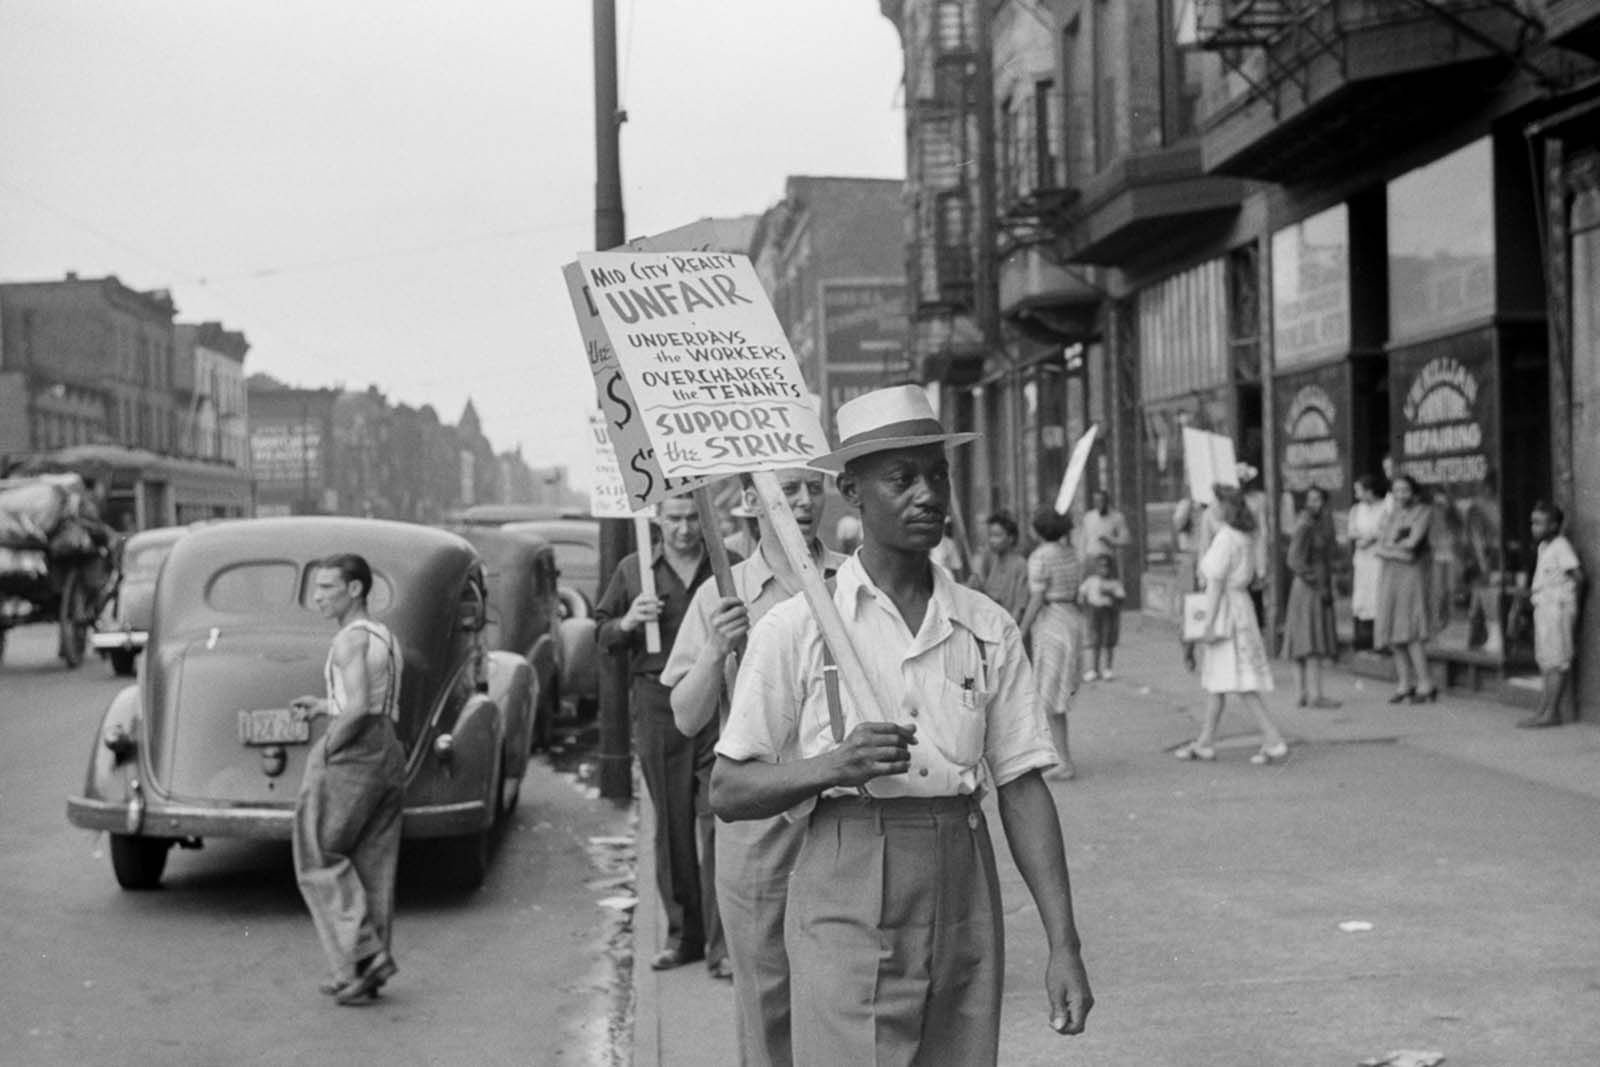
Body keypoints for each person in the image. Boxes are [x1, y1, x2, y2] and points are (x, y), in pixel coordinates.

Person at [711, 385, 1092, 1065]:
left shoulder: (984, 626)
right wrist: (833, 765)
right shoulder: (799, 627)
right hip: (848, 869)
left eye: (938, 474)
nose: (928, 494)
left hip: (962, 873)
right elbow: (729, 788)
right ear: (852, 493)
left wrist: (1065, 943)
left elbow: (1024, 784)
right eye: (902, 478)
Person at [662, 468, 846, 1065]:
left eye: (812, 488)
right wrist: (715, 650)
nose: (801, 500)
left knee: (847, 993)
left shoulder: (855, 579)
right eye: (785, 488)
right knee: (767, 999)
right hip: (759, 824)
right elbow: (687, 718)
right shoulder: (723, 592)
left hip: (849, 813)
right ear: (749, 501)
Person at [596, 495, 726, 974]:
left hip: (716, 701)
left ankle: (722, 942)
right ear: (658, 519)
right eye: (674, 519)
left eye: (693, 518)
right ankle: (682, 936)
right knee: (671, 824)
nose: (686, 529)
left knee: (718, 822)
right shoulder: (635, 570)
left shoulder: (726, 566)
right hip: (657, 702)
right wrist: (629, 621)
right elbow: (603, 633)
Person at [289, 553, 406, 1005]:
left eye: (327, 588)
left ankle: (365, 954)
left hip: (355, 748)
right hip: (387, 746)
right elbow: (372, 698)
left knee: (316, 851)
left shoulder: (348, 640)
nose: (317, 597)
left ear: (355, 589)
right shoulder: (383, 637)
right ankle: (358, 972)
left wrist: (330, 746)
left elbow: (357, 707)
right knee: (372, 861)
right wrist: (323, 706)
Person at [1174, 488, 1289, 765]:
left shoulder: (1226, 538)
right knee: (1221, 682)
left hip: (1226, 612)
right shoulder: (1245, 536)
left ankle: (1272, 738)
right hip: (1241, 607)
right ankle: (1205, 741)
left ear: (1224, 508)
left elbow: (1214, 585)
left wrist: (1208, 624)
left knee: (1239, 680)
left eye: (1214, 504)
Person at [1020, 508, 1085, 778]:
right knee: (1056, 693)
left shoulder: (1039, 557)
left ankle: (1063, 760)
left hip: (1051, 622)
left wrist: (1020, 629)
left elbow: (1036, 598)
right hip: (1071, 618)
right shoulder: (1070, 553)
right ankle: (1057, 756)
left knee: (1049, 694)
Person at [1373, 474, 1438, 704]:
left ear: (1414, 491)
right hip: (1390, 575)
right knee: (1393, 633)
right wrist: (1395, 549)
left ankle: (1425, 683)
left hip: (1411, 577)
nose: (1401, 495)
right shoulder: (1392, 514)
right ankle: (1404, 683)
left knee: (1410, 631)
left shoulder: (1423, 511)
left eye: (1405, 490)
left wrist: (1390, 549)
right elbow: (1379, 544)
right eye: (1396, 491)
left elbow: (1412, 546)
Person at [1517, 501, 1582, 729]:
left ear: (1553, 525)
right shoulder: (1544, 547)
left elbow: (1578, 576)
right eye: (1532, 523)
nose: (1534, 528)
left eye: (1539, 523)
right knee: (1545, 662)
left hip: (1557, 607)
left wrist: (1567, 603)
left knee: (1556, 661)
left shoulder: (1561, 546)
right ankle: (1543, 709)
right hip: (1543, 607)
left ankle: (1552, 712)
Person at [1281, 486, 1341, 708]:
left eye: (1319, 500)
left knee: (1303, 640)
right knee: (1311, 641)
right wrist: (1315, 580)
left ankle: (1303, 694)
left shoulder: (1315, 524)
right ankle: (1313, 695)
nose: (1315, 504)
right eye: (1311, 499)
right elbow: (1294, 559)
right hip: (1309, 586)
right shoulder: (1306, 525)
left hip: (1308, 585)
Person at [1348, 474, 1388, 650]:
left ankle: (1380, 642)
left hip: (1378, 558)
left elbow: (1385, 531)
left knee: (1378, 597)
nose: (1357, 493)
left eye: (1359, 489)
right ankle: (1363, 641)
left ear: (1369, 490)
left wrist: (1370, 539)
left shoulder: (1385, 508)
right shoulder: (1357, 509)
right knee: (1362, 598)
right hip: (1362, 559)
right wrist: (1364, 538)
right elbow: (1352, 532)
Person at [967, 509, 1030, 622]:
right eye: (990, 535)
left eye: (997, 536)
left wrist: (1011, 633)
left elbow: (1020, 606)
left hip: (1008, 626)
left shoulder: (1020, 564)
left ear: (1011, 538)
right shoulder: (992, 560)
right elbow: (990, 598)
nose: (992, 540)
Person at [1079, 554, 1125, 681]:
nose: (1103, 570)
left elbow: (1121, 598)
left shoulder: (1114, 583)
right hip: (1094, 612)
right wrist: (1084, 607)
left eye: (1106, 567)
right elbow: (1082, 593)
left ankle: (1108, 669)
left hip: (1108, 613)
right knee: (1095, 641)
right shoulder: (1091, 581)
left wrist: (1113, 597)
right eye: (1100, 567)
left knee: (1108, 641)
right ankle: (1094, 669)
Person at [1078, 489, 1129, 576]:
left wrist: (1111, 541)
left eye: (1101, 501)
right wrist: (1081, 559)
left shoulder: (1117, 517)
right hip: (1091, 559)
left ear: (1107, 501)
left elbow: (1126, 539)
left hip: (1108, 560)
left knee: (1110, 587)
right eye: (1096, 501)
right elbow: (1082, 540)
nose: (1099, 504)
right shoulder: (1088, 517)